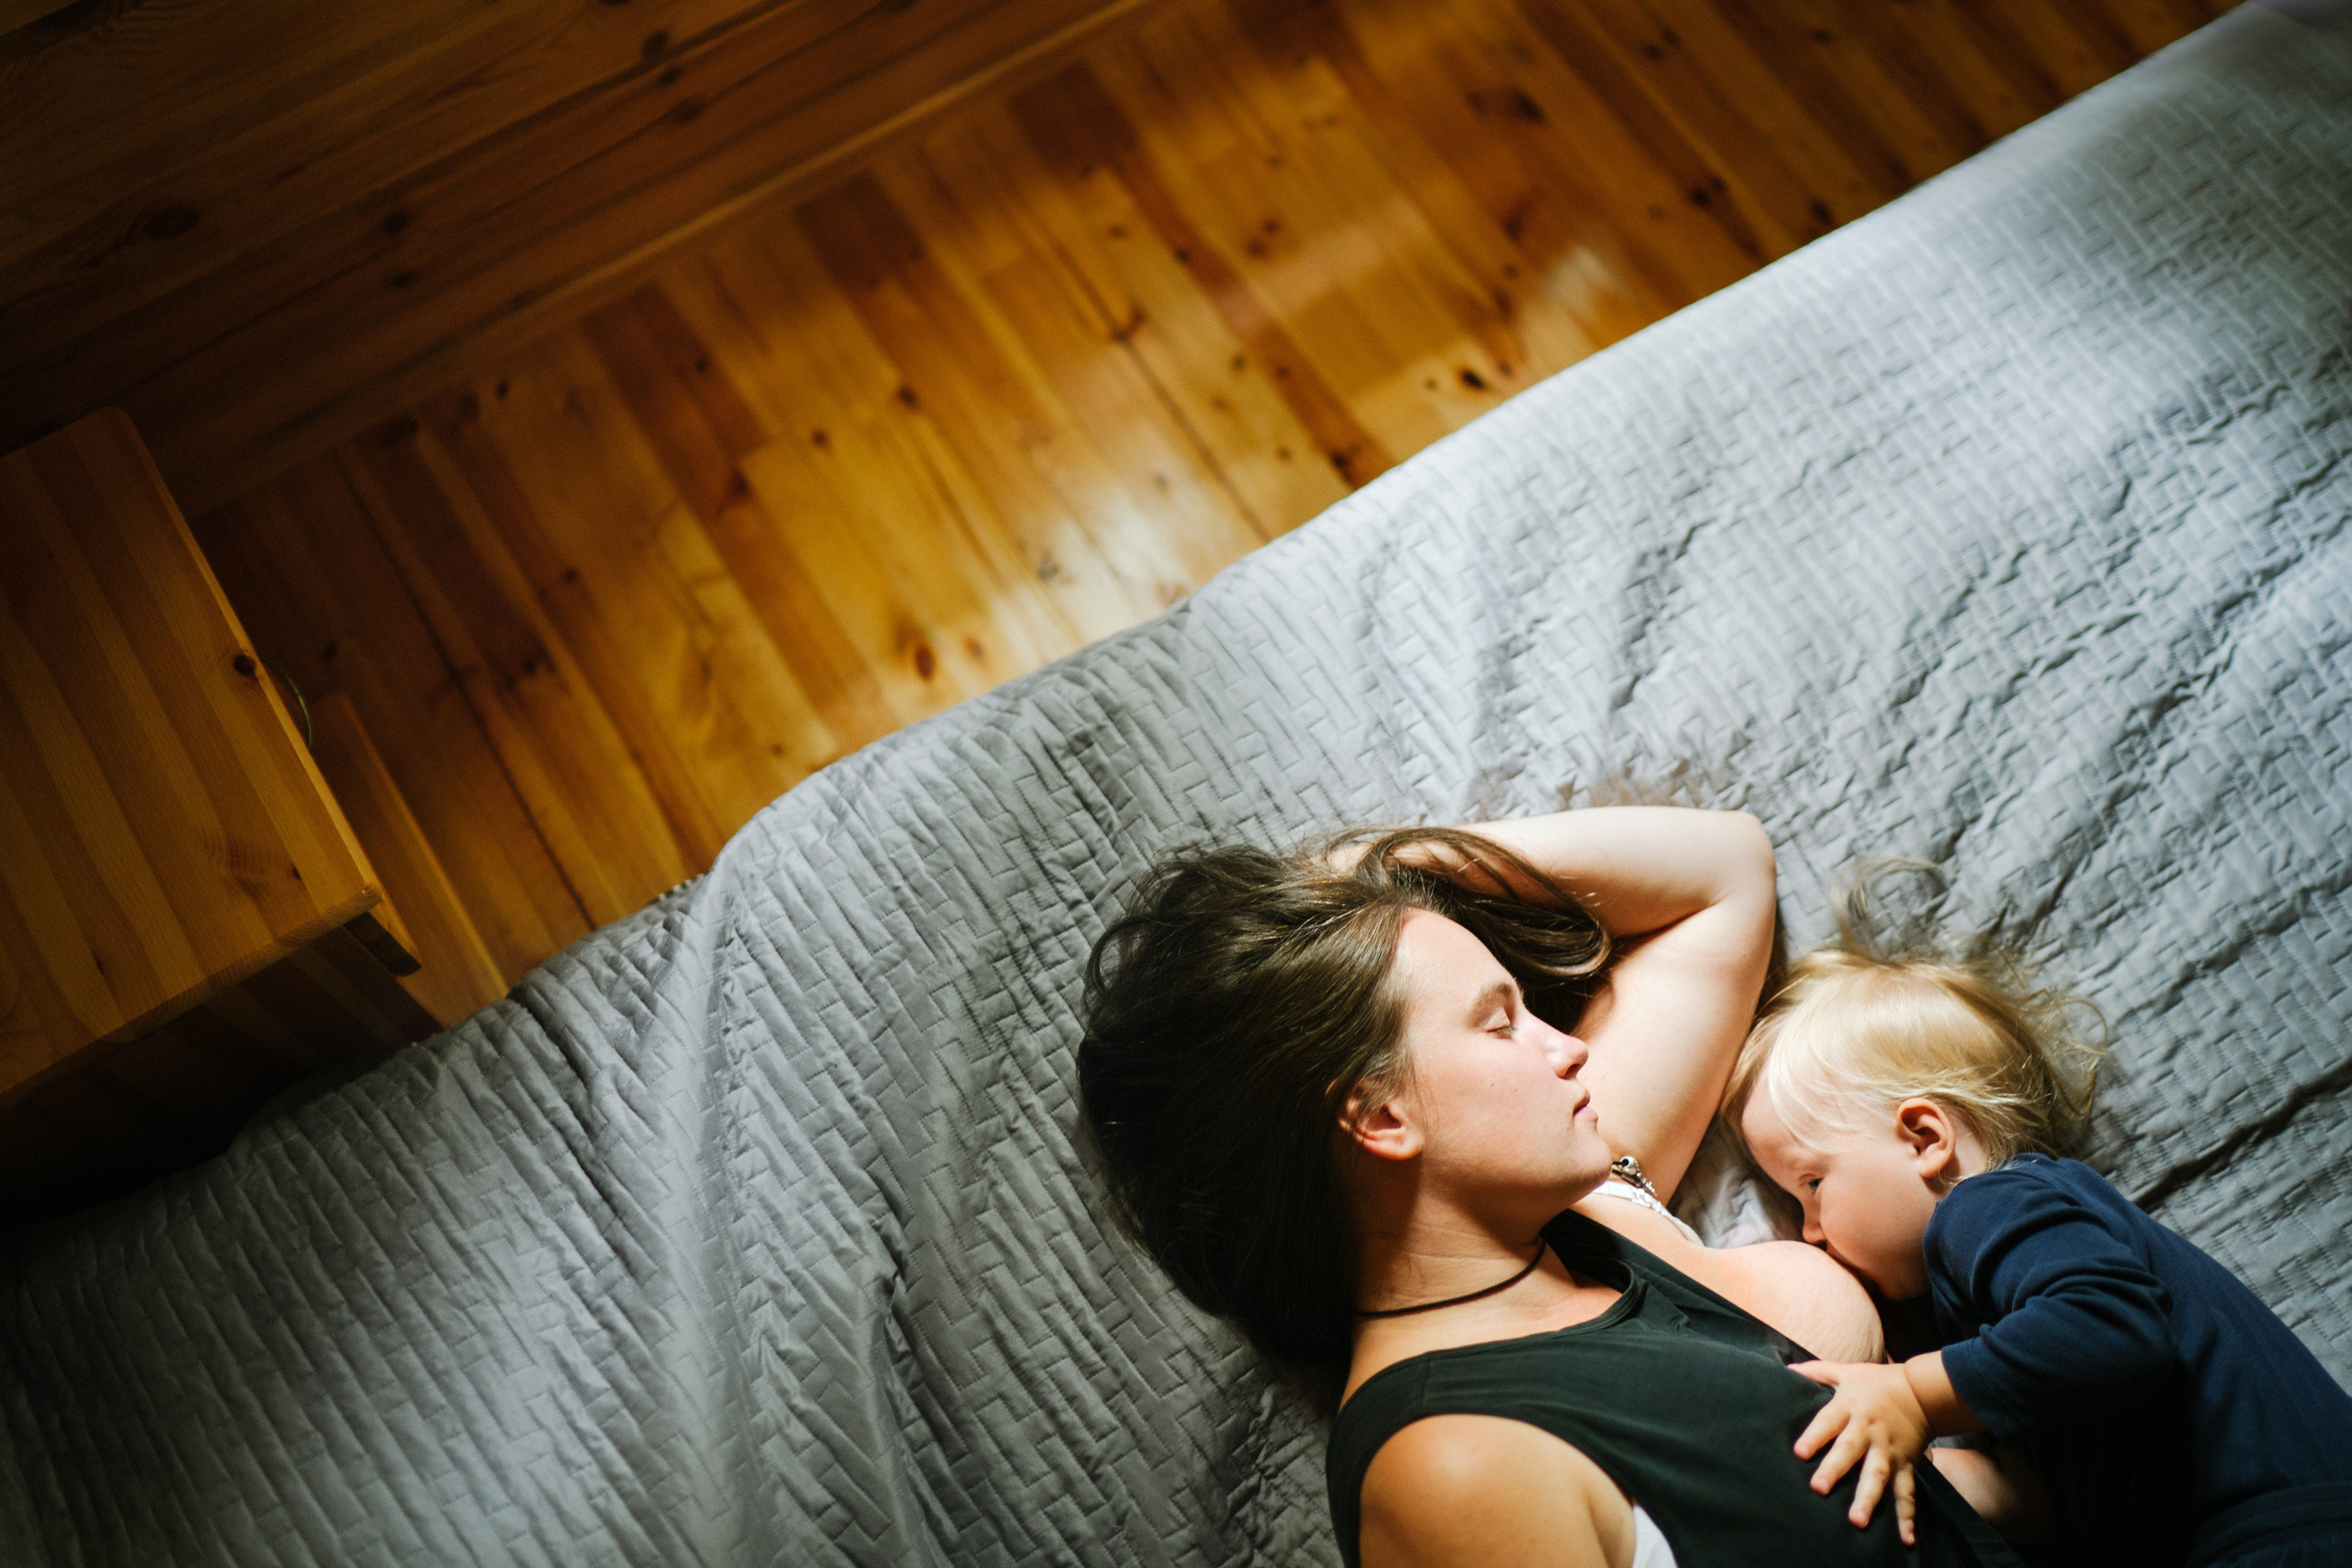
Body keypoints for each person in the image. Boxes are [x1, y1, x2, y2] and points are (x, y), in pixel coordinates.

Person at [1078, 808, 2023, 1568]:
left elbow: (1724, 870)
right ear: (1380, 1119)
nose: (1566, 1046)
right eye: (1500, 1024)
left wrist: (1358, 873)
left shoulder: (1585, 1199)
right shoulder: (1453, 1467)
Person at [1728, 890, 2352, 1568]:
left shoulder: (1990, 1205)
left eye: (1811, 1185)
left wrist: (1915, 1394)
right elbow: (2040, 1499)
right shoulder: (1985, 1295)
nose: (1810, 1230)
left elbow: (2113, 1326)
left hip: (2286, 1530)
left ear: (1924, 1138)